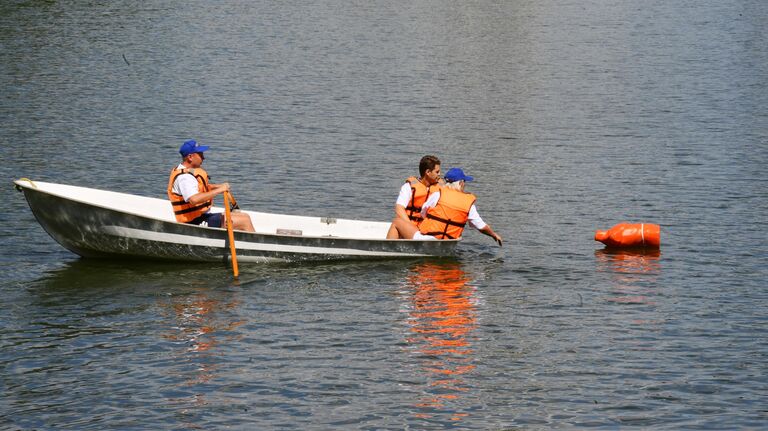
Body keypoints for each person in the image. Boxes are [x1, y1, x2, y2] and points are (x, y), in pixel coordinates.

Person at [390, 167, 502, 246]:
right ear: (461, 183)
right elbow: (481, 226)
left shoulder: (438, 194)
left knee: (397, 221)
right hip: (448, 242)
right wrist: (494, 235)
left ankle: (390, 250)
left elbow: (423, 213)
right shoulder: (468, 203)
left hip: (427, 239)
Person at [167, 139, 255, 232]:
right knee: (244, 221)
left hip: (201, 216)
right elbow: (194, 199)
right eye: (200, 154)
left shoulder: (188, 171)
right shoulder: (184, 178)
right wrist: (219, 191)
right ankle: (256, 245)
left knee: (245, 216)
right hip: (194, 222)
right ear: (190, 157)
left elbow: (199, 188)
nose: (203, 158)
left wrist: (217, 187)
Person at [385, 155, 443, 239]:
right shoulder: (409, 187)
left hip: (430, 229)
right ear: (428, 172)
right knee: (397, 221)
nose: (440, 174)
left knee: (396, 222)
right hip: (413, 228)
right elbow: (399, 208)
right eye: (437, 172)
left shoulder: (441, 188)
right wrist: (410, 227)